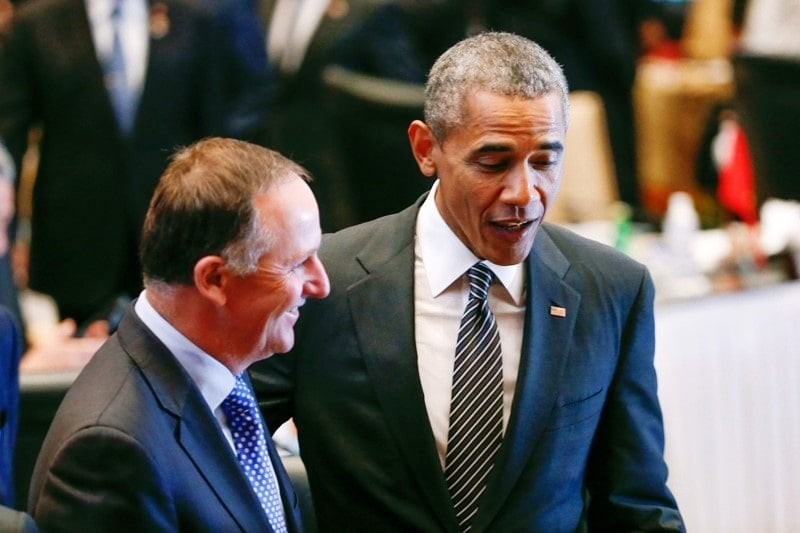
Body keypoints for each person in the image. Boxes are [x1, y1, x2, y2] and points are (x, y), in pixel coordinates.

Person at [251, 32, 685, 531]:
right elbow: (221, 455)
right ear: (425, 149)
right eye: (493, 162)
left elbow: (636, 504)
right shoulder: (322, 281)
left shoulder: (611, 289)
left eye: (546, 161)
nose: (526, 193)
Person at [28, 137, 330, 532]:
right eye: (296, 264)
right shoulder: (109, 451)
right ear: (215, 279)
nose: (321, 284)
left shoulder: (220, 360)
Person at [0, 0, 231, 327]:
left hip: (173, 233)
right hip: (77, 240)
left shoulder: (193, 20)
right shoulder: (37, 23)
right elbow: (9, 136)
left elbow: (215, 135)